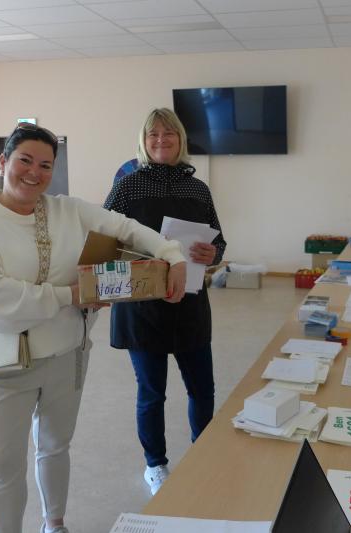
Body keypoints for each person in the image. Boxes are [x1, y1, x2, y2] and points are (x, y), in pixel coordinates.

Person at [0, 123, 187, 533]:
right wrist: (71, 296)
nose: (34, 172)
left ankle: (54, 524)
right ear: (3, 161)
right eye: (25, 160)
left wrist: (173, 254)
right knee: (4, 467)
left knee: (56, 446)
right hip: (5, 364)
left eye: (45, 165)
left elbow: (127, 228)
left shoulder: (68, 210)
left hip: (66, 355)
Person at [103, 108, 226, 495]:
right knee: (152, 393)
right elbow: (103, 241)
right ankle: (155, 464)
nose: (161, 140)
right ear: (144, 140)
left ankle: (203, 455)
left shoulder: (198, 189)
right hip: (142, 306)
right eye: (153, 134)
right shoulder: (128, 186)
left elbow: (219, 242)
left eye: (168, 133)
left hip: (190, 303)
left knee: (202, 390)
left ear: (180, 139)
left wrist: (213, 254)